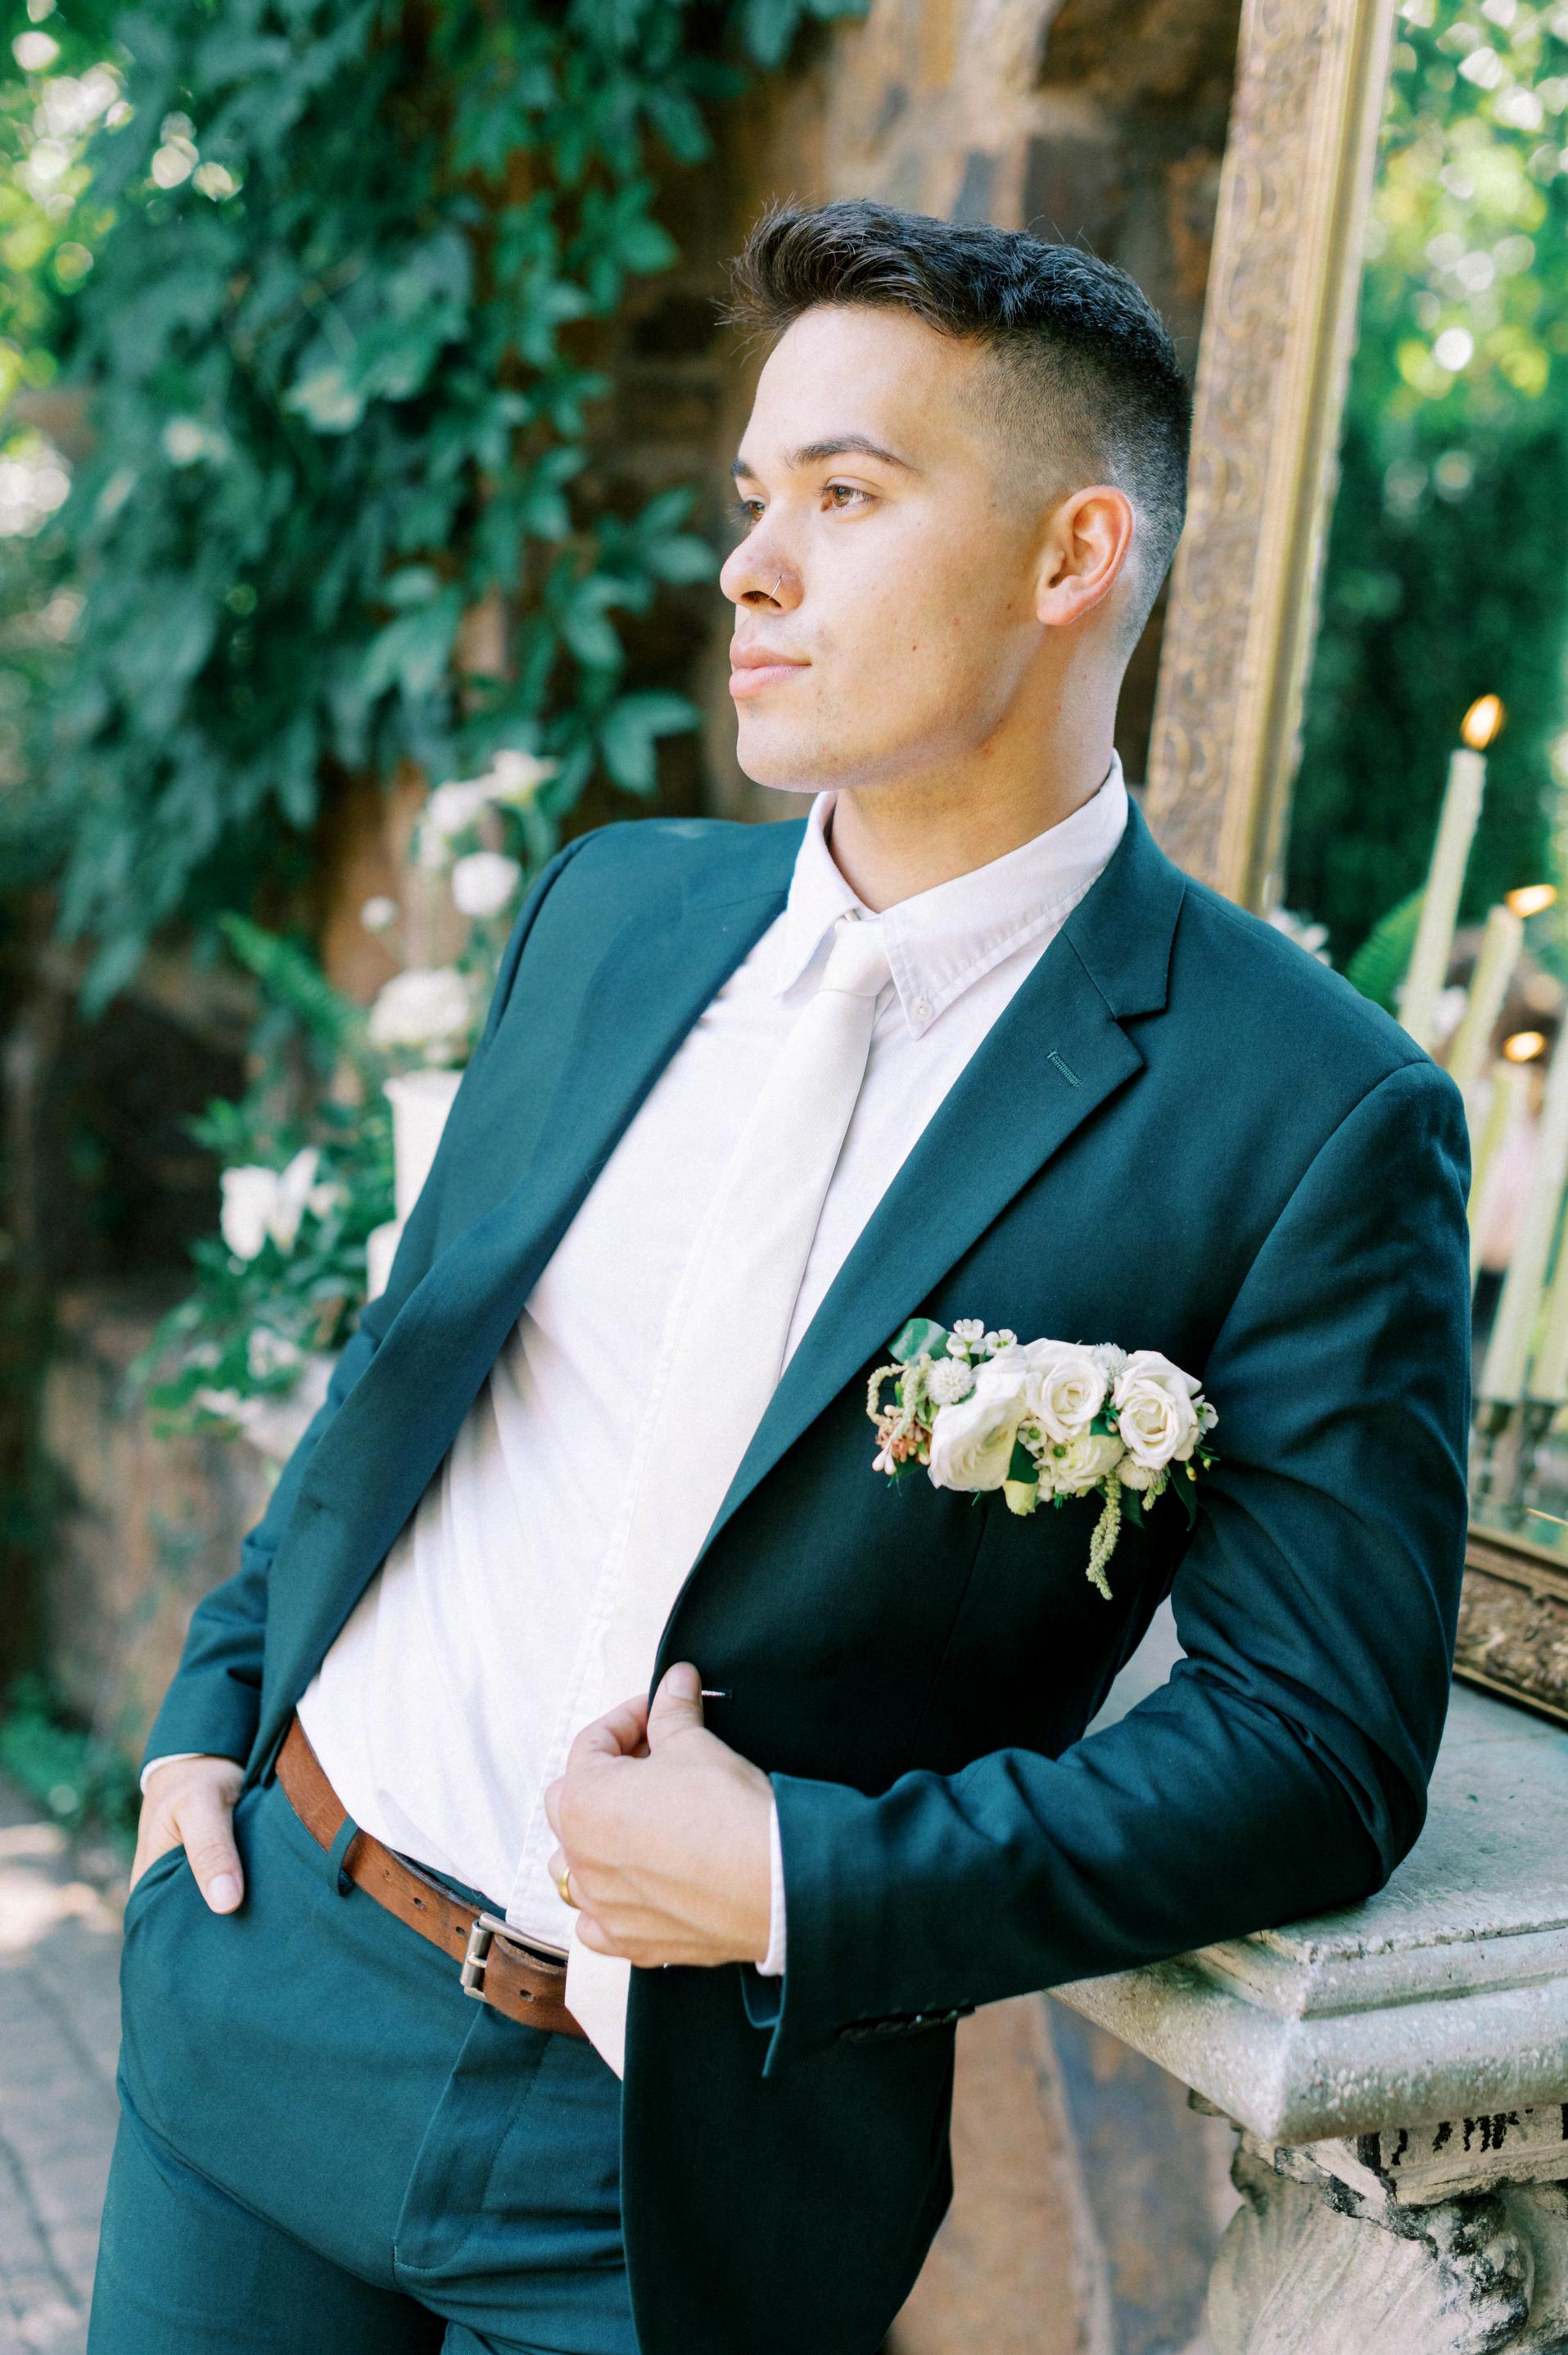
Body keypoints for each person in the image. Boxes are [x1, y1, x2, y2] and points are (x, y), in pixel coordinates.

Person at [88, 199, 1471, 2355]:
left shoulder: (1307, 1114)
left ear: (1072, 556)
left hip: (679, 2182)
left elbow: (1316, 1746)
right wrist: (210, 1716)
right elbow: (411, 1363)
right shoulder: (611, 908)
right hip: (275, 1975)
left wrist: (799, 1879)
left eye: (844, 495)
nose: (749, 565)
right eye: (755, 497)